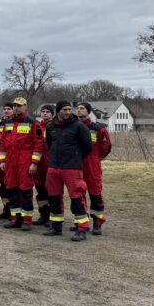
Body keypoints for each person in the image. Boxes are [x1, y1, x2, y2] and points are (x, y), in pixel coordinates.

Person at [44, 101, 93, 241]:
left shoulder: (79, 126)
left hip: (72, 168)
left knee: (77, 198)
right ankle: (56, 226)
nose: (67, 112)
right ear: (58, 110)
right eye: (64, 109)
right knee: (53, 198)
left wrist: (76, 158)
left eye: (69, 109)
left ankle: (82, 228)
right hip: (54, 167)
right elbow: (49, 144)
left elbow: (88, 147)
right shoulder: (50, 126)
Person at [0, 97, 44, 231]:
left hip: (25, 161)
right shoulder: (8, 123)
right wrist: (2, 160)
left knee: (25, 191)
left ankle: (26, 220)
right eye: (14, 106)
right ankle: (15, 218)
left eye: (19, 106)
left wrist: (34, 163)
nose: (16, 108)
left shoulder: (33, 123)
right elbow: (3, 143)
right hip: (11, 162)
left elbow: (39, 143)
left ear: (25, 107)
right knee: (11, 189)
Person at [76, 102, 112, 235]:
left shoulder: (98, 129)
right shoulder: (74, 127)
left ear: (89, 111)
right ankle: (81, 222)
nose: (79, 110)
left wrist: (97, 159)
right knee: (78, 195)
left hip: (92, 166)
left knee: (95, 194)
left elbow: (106, 147)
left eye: (82, 108)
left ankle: (97, 223)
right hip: (76, 165)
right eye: (78, 108)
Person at [34, 105, 55, 226]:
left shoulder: (55, 126)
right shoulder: (37, 126)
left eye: (48, 112)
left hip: (50, 160)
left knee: (52, 189)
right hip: (38, 160)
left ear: (52, 114)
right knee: (40, 189)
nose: (45, 113)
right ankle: (43, 214)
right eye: (43, 111)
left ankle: (53, 215)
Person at [0, 103, 14, 219]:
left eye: (9, 109)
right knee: (3, 186)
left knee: (11, 186)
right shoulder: (0, 125)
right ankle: (7, 209)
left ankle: (14, 210)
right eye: (4, 109)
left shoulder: (16, 124)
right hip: (2, 159)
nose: (6, 111)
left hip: (12, 159)